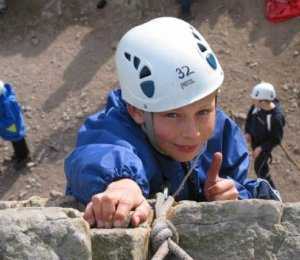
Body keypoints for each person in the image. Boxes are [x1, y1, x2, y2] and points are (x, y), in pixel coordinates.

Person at [65, 17, 280, 229]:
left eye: (203, 111)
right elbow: (94, 154)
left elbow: (237, 182)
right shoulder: (117, 129)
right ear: (137, 111)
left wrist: (233, 194)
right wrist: (122, 182)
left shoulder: (222, 133)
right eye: (173, 115)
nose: (192, 133)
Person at [245, 82, 285, 189]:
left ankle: (272, 192)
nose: (253, 101)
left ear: (263, 101)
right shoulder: (256, 107)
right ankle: (263, 188)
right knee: (258, 167)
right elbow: (249, 118)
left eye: (255, 99)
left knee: (260, 168)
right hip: (256, 140)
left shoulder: (276, 118)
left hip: (265, 145)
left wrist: (261, 148)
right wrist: (248, 132)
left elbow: (276, 139)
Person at [0, 80, 31, 165]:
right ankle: (19, 154)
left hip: (13, 127)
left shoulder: (6, 104)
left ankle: (24, 157)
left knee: (18, 141)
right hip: (11, 127)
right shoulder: (4, 96)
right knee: (15, 141)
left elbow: (10, 120)